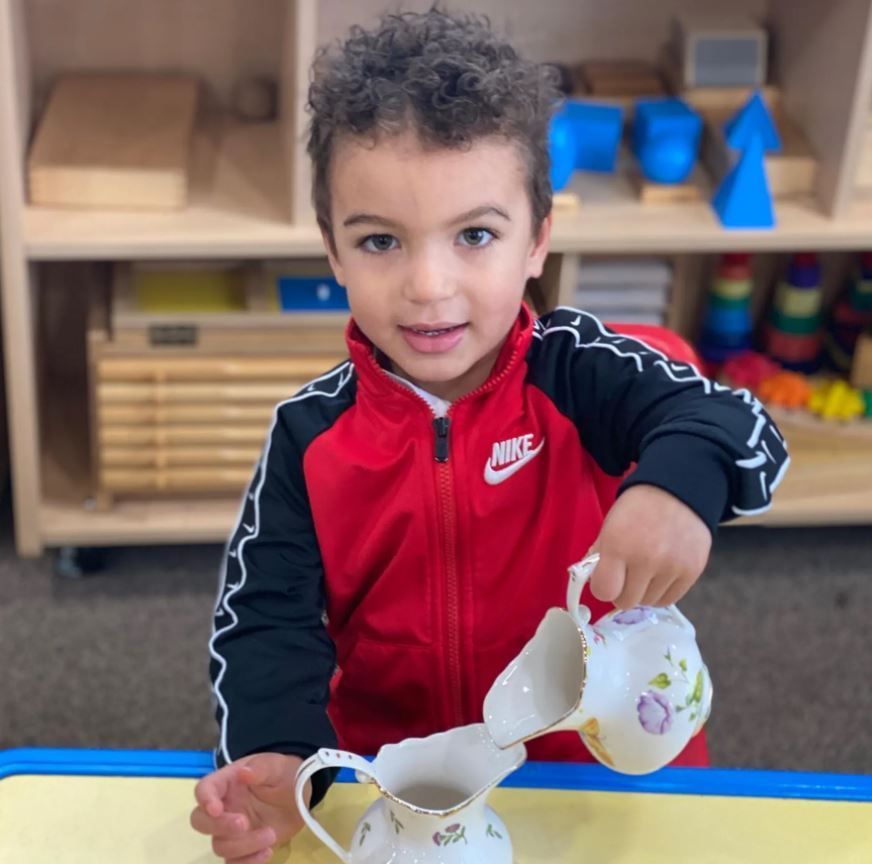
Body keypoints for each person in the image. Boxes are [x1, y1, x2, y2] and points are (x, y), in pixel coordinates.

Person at [190, 9, 789, 863]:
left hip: (593, 773)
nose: (429, 287)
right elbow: (264, 621)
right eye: (380, 241)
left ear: (538, 238)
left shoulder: (580, 369)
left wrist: (677, 484)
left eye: (476, 234)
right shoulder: (308, 436)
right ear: (332, 252)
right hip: (399, 789)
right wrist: (282, 759)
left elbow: (738, 425)